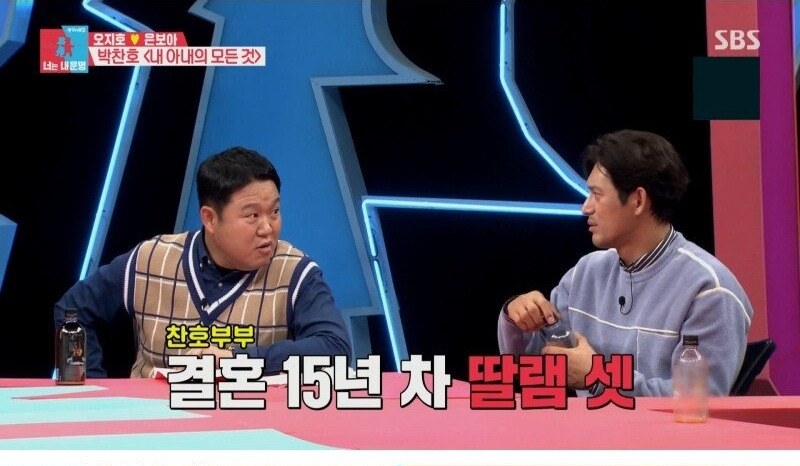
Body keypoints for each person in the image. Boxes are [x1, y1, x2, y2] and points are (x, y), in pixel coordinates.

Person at [54, 147, 352, 377]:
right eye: (252, 216)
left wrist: (238, 360)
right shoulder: (151, 259)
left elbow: (335, 348)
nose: (268, 228)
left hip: (250, 425)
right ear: (210, 218)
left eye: (274, 212)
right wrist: (93, 388)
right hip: (153, 427)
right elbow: (72, 312)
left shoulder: (295, 272)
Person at [498, 130, 753, 396]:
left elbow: (697, 401)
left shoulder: (708, 289)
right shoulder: (585, 273)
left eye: (596, 195)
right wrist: (517, 318)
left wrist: (599, 375)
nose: (585, 208)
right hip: (584, 424)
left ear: (638, 201)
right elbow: (533, 366)